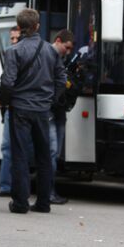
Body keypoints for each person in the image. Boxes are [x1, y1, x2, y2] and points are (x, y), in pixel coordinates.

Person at [0, 9, 66, 214]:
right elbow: (61, 80)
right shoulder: (51, 51)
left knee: (19, 155)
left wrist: (5, 103)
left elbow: (8, 82)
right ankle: (43, 202)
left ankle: (20, 203)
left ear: (19, 28)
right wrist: (51, 100)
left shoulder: (14, 51)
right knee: (44, 156)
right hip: (42, 110)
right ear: (37, 26)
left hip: (19, 108)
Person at [0, 25, 21, 197]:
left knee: (10, 147)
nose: (14, 42)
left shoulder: (16, 55)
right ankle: (6, 186)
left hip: (16, 107)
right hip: (12, 107)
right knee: (8, 147)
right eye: (12, 39)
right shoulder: (13, 56)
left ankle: (8, 185)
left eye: (17, 38)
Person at [49, 29, 74, 205]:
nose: (68, 51)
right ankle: (48, 192)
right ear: (58, 41)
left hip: (58, 112)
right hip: (50, 112)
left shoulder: (62, 59)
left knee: (54, 154)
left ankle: (49, 191)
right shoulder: (47, 56)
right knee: (51, 153)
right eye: (67, 47)